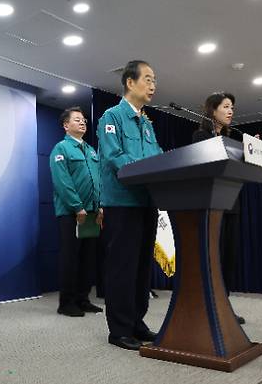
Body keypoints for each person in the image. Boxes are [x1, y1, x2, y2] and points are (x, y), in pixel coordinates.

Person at [98, 60, 162, 350]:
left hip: (146, 202)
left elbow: (159, 157)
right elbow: (115, 157)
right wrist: (148, 173)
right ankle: (120, 329)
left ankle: (137, 321)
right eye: (147, 79)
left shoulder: (147, 124)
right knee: (122, 267)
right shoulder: (112, 117)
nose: (153, 85)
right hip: (122, 203)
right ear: (129, 82)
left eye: (154, 80)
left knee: (140, 269)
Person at [191, 92, 245, 324]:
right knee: (212, 256)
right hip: (210, 204)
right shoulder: (201, 135)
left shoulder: (236, 138)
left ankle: (224, 306)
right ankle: (206, 306)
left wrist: (252, 152)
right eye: (225, 107)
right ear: (213, 111)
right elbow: (203, 165)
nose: (231, 111)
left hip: (231, 202)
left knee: (228, 258)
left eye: (232, 107)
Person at [49, 107, 103, 317]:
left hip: (91, 213)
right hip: (71, 213)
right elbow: (62, 182)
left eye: (84, 120)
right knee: (70, 258)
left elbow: (98, 181)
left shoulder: (91, 150)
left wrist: (100, 205)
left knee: (88, 258)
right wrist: (77, 206)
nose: (83, 123)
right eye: (77, 120)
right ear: (66, 125)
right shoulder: (60, 149)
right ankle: (66, 303)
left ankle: (83, 298)